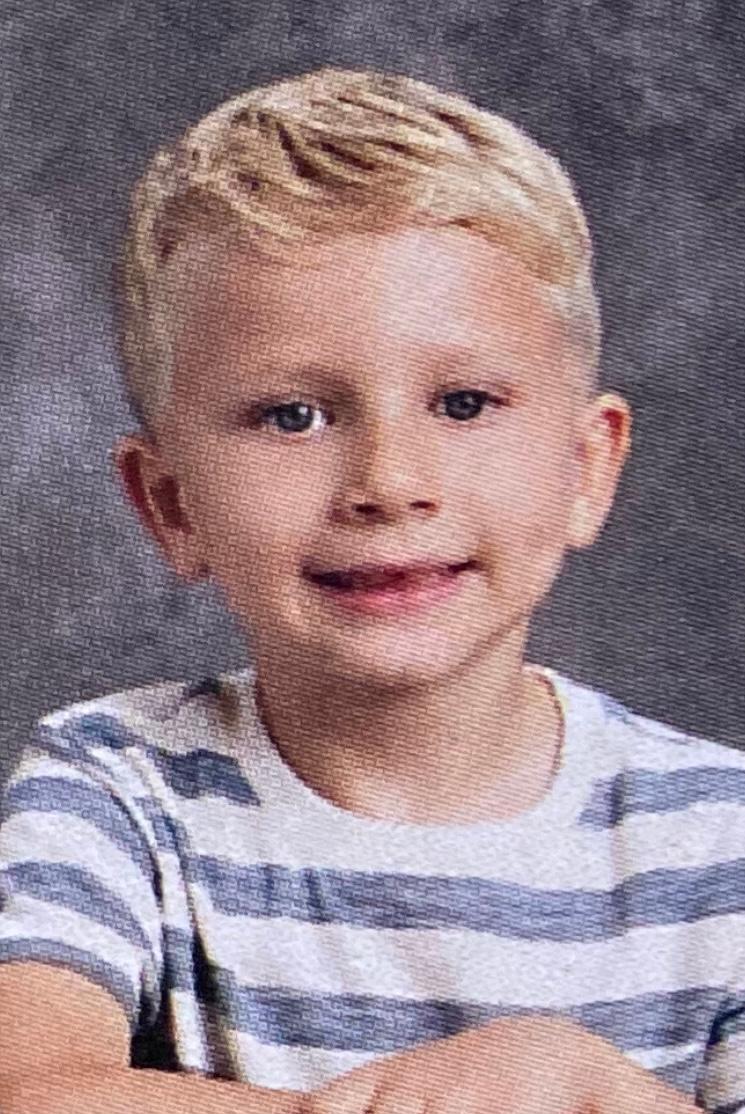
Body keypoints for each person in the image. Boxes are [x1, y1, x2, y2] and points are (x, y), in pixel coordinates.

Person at [0, 66, 741, 1114]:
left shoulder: (718, 837)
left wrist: (587, 1088)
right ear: (170, 505)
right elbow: (25, 1090)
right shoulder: (119, 786)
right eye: (292, 416)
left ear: (585, 469)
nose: (389, 482)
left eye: (463, 402)